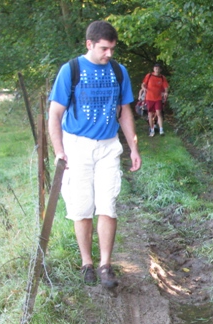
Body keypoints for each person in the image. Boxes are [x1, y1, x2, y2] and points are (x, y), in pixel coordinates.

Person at [48, 20, 142, 288]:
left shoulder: (118, 71)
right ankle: (86, 263)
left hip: (108, 146)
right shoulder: (71, 70)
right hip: (77, 146)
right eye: (104, 48)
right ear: (89, 44)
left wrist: (133, 147)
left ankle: (105, 266)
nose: (109, 54)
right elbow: (54, 114)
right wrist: (59, 151)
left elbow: (125, 112)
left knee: (108, 205)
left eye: (112, 48)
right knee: (81, 208)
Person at [140, 63, 169, 136]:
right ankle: (152, 130)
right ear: (153, 69)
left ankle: (161, 130)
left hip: (158, 98)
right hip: (149, 98)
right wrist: (144, 88)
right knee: (150, 114)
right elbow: (143, 84)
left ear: (160, 70)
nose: (157, 69)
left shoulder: (162, 77)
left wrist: (166, 92)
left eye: (158, 68)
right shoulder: (149, 75)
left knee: (159, 113)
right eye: (155, 67)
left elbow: (166, 87)